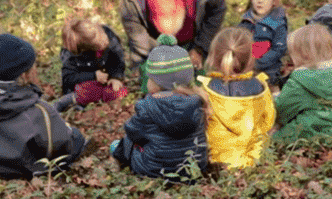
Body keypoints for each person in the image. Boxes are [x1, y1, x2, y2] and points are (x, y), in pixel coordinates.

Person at [0, 34, 87, 179]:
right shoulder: (41, 111)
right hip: (26, 168)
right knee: (76, 137)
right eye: (33, 66)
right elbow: (60, 145)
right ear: (25, 75)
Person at [110, 34, 208, 182]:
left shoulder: (147, 106)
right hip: (194, 168)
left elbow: (132, 132)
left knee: (125, 141)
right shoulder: (198, 102)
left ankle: (118, 160)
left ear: (156, 82)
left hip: (155, 170)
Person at [197, 27, 275, 168]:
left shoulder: (205, 89)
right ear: (251, 58)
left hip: (217, 160)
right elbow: (268, 121)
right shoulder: (261, 86)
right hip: (254, 159)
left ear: (214, 58)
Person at [273, 24, 332, 141]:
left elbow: (283, 111)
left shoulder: (299, 80)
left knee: (275, 137)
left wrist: (275, 99)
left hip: (312, 128)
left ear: (303, 54)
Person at [52, 18, 127, 112]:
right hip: (84, 86)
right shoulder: (71, 54)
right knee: (84, 92)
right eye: (98, 46)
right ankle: (75, 104)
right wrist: (93, 75)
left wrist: (116, 77)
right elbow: (68, 78)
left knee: (119, 91)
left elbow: (117, 58)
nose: (104, 43)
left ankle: (96, 99)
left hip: (105, 82)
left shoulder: (108, 34)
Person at [238, 0, 288, 89]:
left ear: (274, 1)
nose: (260, 1)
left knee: (266, 91)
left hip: (269, 71)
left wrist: (257, 63)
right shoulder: (245, 21)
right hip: (246, 68)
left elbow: (279, 49)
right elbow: (237, 42)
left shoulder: (278, 23)